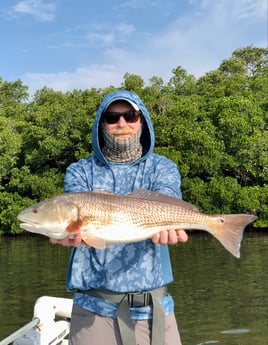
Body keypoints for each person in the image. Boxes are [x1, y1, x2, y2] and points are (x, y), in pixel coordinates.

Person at [51, 89, 188, 345]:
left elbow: (167, 196)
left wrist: (170, 225)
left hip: (154, 310)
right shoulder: (80, 171)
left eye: (130, 115)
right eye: (112, 117)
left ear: (142, 119)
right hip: (93, 310)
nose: (122, 123)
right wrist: (66, 233)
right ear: (101, 123)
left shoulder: (163, 167)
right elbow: (75, 219)